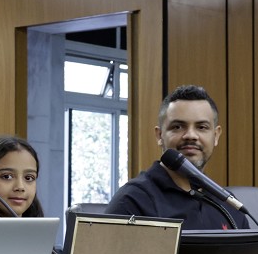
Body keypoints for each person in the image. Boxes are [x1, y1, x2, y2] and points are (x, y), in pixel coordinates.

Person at [105, 84, 247, 229]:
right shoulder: (132, 201)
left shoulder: (230, 206)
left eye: (201, 127)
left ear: (216, 136)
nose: (190, 135)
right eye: (177, 127)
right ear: (160, 135)